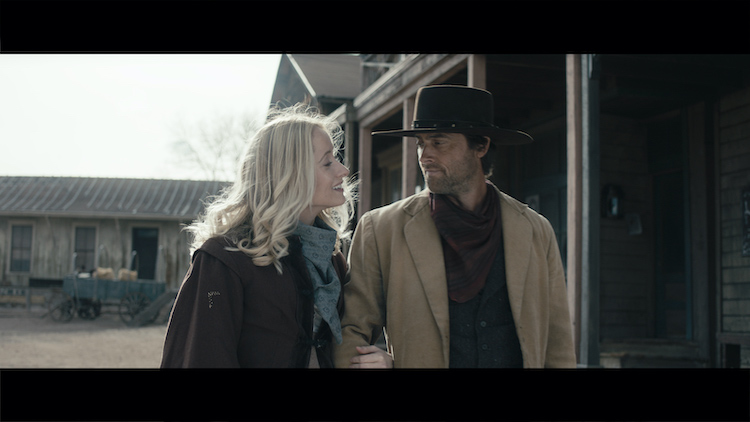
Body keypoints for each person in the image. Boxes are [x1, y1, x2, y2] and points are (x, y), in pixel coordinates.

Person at [333, 85, 576, 368]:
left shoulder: (535, 230)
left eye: (439, 142)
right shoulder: (382, 230)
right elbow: (351, 331)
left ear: (481, 146)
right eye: (421, 143)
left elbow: (558, 342)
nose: (424, 156)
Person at [161, 104, 391, 368]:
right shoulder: (224, 260)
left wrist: (381, 362)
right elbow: (199, 356)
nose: (343, 170)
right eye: (328, 162)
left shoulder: (332, 260)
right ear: (291, 174)